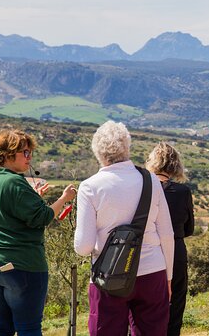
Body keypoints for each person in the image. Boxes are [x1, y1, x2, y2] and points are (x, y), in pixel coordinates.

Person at [0, 129, 76, 335]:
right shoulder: (16, 183)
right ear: (9, 154)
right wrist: (64, 198)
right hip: (20, 266)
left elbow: (7, 212)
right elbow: (43, 217)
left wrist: (33, 197)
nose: (30, 158)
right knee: (28, 328)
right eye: (25, 153)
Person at [74, 121, 174, 336]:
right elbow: (167, 234)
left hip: (108, 276)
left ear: (97, 152)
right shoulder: (151, 180)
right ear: (127, 146)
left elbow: (83, 247)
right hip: (152, 271)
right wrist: (168, 277)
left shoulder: (90, 187)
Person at [146, 142, 195, 336]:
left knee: (144, 309)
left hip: (148, 252)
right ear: (176, 165)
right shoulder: (183, 192)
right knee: (175, 307)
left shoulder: (143, 189)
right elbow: (189, 229)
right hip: (176, 252)